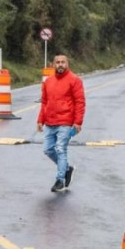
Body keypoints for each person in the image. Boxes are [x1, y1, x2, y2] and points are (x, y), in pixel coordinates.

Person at [37, 54, 86, 193]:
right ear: (54, 64)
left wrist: (78, 122)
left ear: (67, 64)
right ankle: (67, 169)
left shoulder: (74, 80)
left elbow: (80, 102)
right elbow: (44, 102)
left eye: (63, 62)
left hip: (66, 121)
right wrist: (40, 120)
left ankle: (60, 181)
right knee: (47, 150)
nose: (60, 64)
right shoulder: (48, 81)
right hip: (49, 122)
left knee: (60, 149)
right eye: (57, 62)